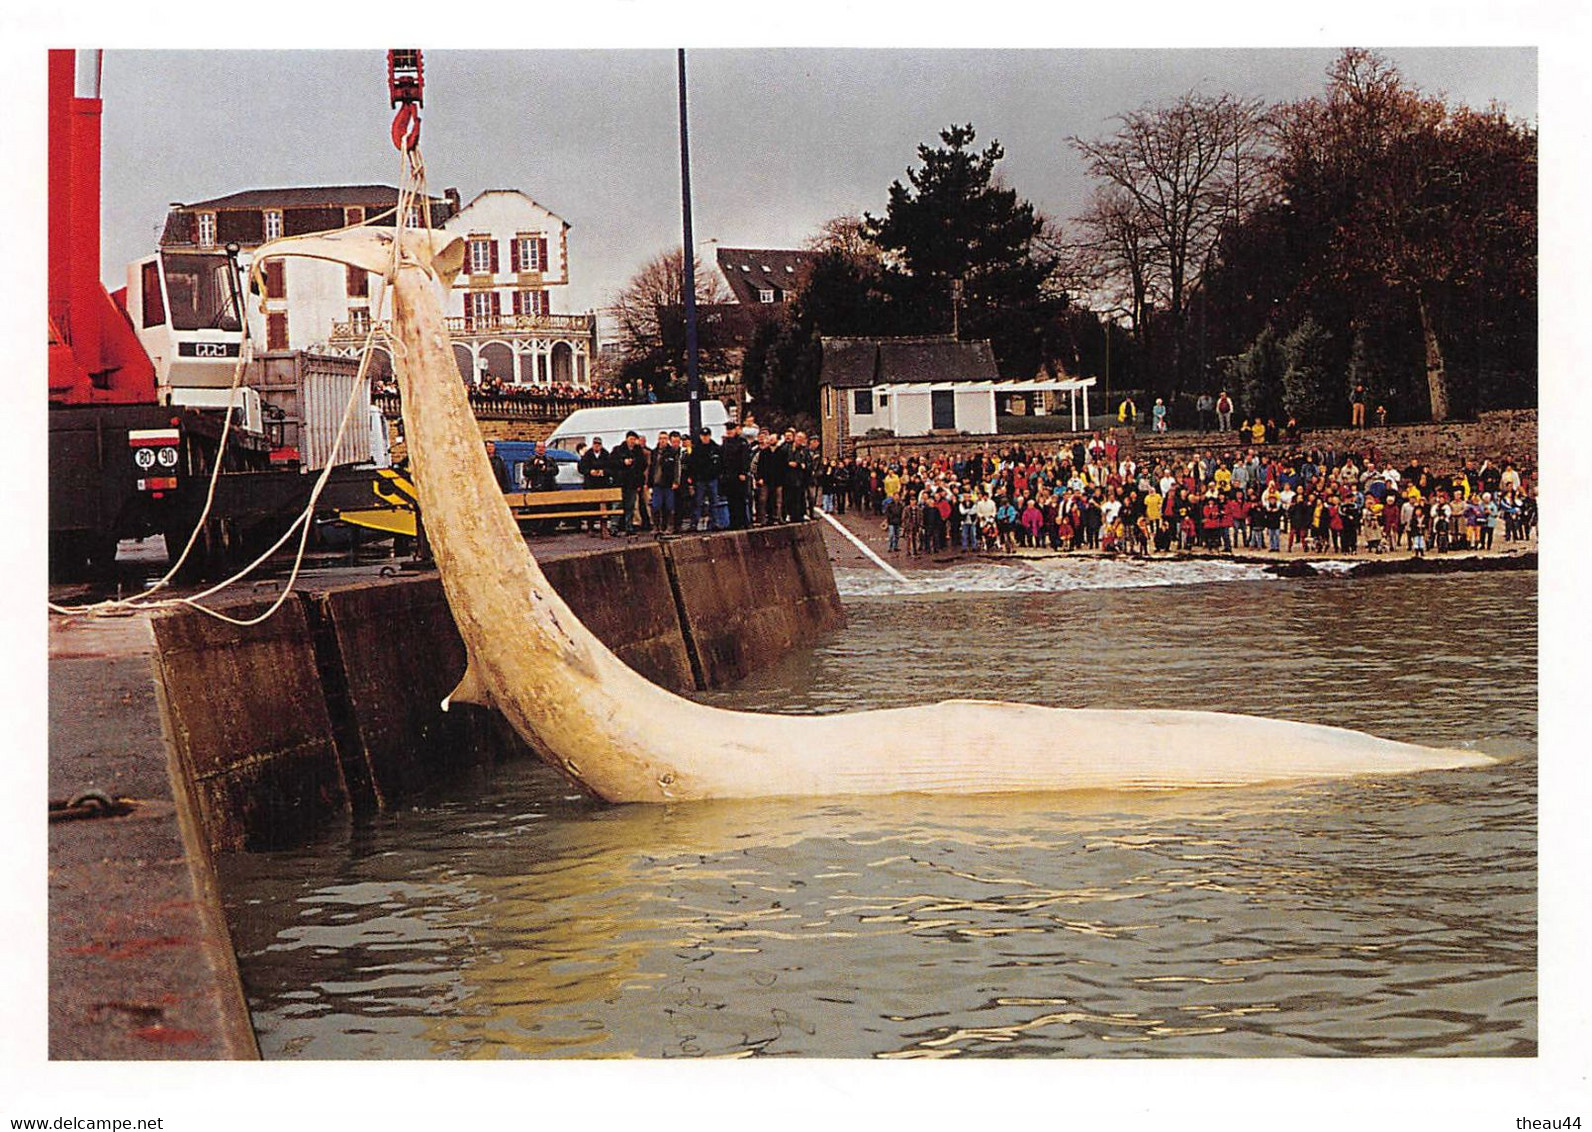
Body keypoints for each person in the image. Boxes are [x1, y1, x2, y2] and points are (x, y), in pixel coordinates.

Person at [611, 430, 649, 535]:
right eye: (630, 439)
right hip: (620, 482)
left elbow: (643, 465)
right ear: (626, 439)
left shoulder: (638, 451)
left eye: (634, 439)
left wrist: (639, 482)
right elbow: (612, 463)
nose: (632, 441)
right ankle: (614, 527)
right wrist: (623, 462)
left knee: (630, 506)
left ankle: (629, 526)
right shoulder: (618, 450)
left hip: (632, 483)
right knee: (617, 505)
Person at [689, 426, 724, 531]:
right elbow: (692, 465)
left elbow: (720, 463)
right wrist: (693, 478)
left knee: (714, 501)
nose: (705, 438)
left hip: (712, 479)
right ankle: (694, 524)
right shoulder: (696, 449)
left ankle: (715, 522)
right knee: (698, 502)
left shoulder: (715, 448)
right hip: (700, 480)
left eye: (707, 436)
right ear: (700, 436)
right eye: (703, 436)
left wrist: (718, 475)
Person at [720, 420, 753, 529]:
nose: (729, 432)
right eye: (728, 430)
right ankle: (734, 522)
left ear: (735, 430)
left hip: (739, 475)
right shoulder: (725, 443)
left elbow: (745, 459)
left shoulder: (742, 442)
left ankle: (744, 521)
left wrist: (743, 472)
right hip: (729, 476)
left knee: (741, 499)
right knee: (731, 500)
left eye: (731, 430)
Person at [650, 430, 684, 533]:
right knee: (656, 505)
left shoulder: (672, 452)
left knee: (670, 506)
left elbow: (677, 468)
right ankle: (656, 526)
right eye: (660, 438)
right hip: (657, 483)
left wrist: (676, 481)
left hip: (668, 483)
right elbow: (651, 467)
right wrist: (649, 482)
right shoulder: (654, 452)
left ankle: (670, 526)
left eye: (664, 438)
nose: (662, 441)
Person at [577, 436, 610, 534]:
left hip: (602, 484)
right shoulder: (588, 455)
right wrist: (590, 471)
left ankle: (603, 527)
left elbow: (611, 467)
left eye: (598, 444)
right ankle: (590, 527)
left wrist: (603, 472)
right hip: (590, 484)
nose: (597, 446)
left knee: (603, 506)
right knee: (590, 506)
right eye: (595, 444)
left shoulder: (606, 454)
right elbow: (581, 468)